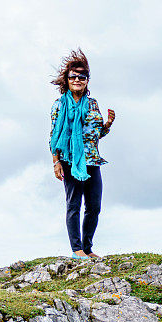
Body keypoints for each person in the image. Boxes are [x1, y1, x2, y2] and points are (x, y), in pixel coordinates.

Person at [49, 49, 115, 259]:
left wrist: (108, 124)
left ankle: (87, 247)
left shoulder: (93, 103)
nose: (77, 79)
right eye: (73, 76)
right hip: (70, 161)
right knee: (74, 205)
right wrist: (56, 162)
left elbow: (95, 135)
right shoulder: (60, 105)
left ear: (87, 80)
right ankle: (77, 250)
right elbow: (53, 137)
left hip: (92, 160)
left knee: (94, 206)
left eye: (82, 76)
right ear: (66, 81)